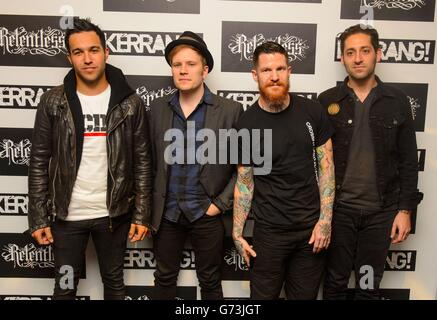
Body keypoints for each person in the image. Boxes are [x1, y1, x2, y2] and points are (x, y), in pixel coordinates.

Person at [27, 18, 152, 300]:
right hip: (67, 217)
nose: (87, 59)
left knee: (115, 286)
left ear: (106, 52)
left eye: (93, 50)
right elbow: (38, 161)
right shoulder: (53, 101)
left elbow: (143, 161)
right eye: (78, 52)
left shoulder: (129, 103)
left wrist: (142, 213)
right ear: (69, 57)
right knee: (65, 288)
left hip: (114, 215)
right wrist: (37, 217)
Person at [318, 24, 422, 300]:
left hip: (380, 213)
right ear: (342, 58)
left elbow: (409, 161)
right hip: (339, 213)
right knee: (335, 283)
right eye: (350, 52)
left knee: (367, 285)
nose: (358, 58)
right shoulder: (327, 100)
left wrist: (405, 210)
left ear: (378, 54)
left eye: (365, 51)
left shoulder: (397, 101)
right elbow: (316, 163)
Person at [233, 41, 335, 299]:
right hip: (269, 234)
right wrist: (237, 233)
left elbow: (327, 170)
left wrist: (325, 221)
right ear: (255, 75)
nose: (275, 76)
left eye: (280, 69)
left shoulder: (312, 112)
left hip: (310, 233)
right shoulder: (246, 123)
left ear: (289, 71)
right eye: (267, 70)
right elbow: (245, 183)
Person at [147, 31, 244, 299]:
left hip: (207, 212)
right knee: (164, 279)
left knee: (211, 282)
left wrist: (220, 204)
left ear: (205, 69)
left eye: (191, 64)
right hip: (167, 213)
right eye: (177, 65)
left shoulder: (230, 110)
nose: (183, 70)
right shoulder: (157, 110)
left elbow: (245, 168)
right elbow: (147, 163)